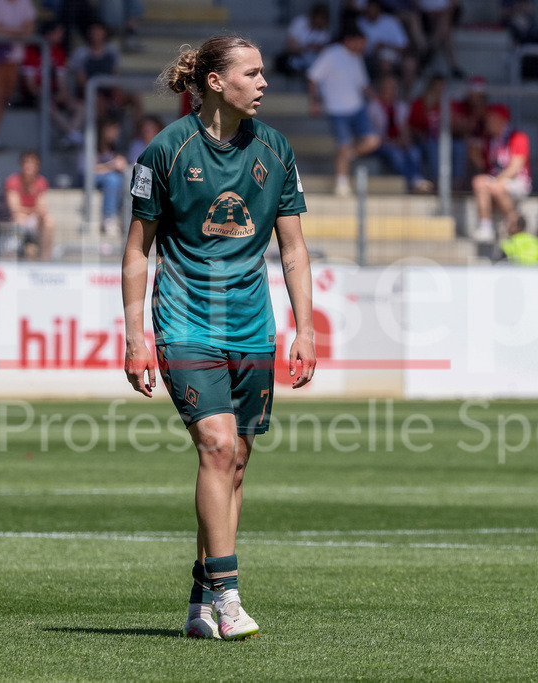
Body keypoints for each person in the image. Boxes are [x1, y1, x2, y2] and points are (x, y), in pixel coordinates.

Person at [122, 34, 315, 642]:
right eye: (252, 73)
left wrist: (304, 328)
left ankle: (199, 602)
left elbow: (294, 249)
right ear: (214, 81)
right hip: (184, 322)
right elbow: (136, 252)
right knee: (216, 447)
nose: (263, 83)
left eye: (263, 74)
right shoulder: (165, 150)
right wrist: (135, 335)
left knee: (236, 463)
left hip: (252, 327)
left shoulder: (277, 150)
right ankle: (229, 597)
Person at [306, 25, 380, 196]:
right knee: (344, 146)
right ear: (348, 40)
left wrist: (377, 98)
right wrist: (314, 101)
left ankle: (346, 157)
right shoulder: (331, 54)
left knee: (372, 141)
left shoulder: (357, 57)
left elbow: (363, 85)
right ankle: (341, 183)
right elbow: (312, 77)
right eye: (359, 43)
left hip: (358, 108)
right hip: (337, 110)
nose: (362, 47)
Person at [471, 103, 531, 242]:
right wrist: (474, 153)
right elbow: (483, 165)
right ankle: (485, 227)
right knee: (479, 182)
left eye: (490, 118)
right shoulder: (490, 140)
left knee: (497, 187)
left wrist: (495, 181)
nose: (487, 122)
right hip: (497, 182)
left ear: (500, 119)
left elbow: (515, 168)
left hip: (518, 182)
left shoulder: (518, 137)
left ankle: (515, 221)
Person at [0, 0, 37, 147]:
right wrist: (17, 32)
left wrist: (4, 31)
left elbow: (29, 31)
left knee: (7, 96)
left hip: (15, 58)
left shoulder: (26, 4)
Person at [21, 22, 84, 147]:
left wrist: (62, 94)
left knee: (82, 107)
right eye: (58, 32)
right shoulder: (31, 51)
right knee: (47, 104)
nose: (61, 35)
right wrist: (48, 95)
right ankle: (72, 133)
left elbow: (62, 82)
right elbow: (30, 85)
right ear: (48, 34)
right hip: (34, 95)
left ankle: (69, 135)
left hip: (52, 93)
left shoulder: (59, 52)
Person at [368, 74, 431, 193]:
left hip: (396, 141)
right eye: (388, 88)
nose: (391, 91)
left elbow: (405, 130)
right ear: (381, 89)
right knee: (396, 154)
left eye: (393, 88)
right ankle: (413, 181)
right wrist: (395, 142)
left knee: (414, 151)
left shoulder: (401, 106)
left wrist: (405, 141)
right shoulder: (373, 107)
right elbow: (373, 137)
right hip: (380, 144)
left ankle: (417, 178)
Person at [4, 149, 54, 260]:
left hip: (34, 221)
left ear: (38, 166)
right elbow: (14, 209)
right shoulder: (12, 181)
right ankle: (15, 256)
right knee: (20, 220)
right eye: (26, 162)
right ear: (21, 164)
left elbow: (42, 209)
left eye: (32, 163)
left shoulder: (41, 182)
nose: (29, 166)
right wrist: (33, 210)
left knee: (49, 221)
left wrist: (30, 212)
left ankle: (45, 259)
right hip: (16, 220)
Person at [358, 0, 416, 94]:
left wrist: (386, 45)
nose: (371, 12)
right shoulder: (360, 23)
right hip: (370, 57)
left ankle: (406, 95)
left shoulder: (391, 21)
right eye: (369, 9)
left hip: (394, 54)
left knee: (410, 64)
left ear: (379, 10)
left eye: (374, 9)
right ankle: (387, 95)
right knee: (385, 62)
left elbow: (404, 47)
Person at [89, 116, 128, 238]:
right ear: (105, 129)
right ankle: (108, 218)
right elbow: (88, 168)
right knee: (113, 179)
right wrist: (112, 165)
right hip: (88, 180)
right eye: (114, 129)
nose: (117, 133)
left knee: (125, 178)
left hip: (107, 179)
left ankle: (124, 218)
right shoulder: (91, 142)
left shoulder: (113, 146)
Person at [274, 2, 331, 79]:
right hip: (296, 59)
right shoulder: (300, 22)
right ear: (313, 17)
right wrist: (307, 47)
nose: (319, 23)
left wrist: (319, 49)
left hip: (314, 63)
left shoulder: (325, 33)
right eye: (318, 20)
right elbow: (289, 46)